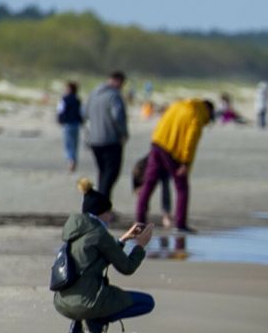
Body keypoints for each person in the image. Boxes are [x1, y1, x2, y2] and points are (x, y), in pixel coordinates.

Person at [55, 178, 155, 333]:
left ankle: (76, 325)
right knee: (146, 302)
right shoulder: (100, 234)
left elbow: (96, 260)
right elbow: (127, 268)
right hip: (88, 304)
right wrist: (140, 246)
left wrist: (123, 239)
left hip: (62, 303)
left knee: (83, 284)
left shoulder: (73, 232)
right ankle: (97, 320)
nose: (110, 217)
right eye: (108, 212)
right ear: (100, 213)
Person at [135, 98, 214, 233]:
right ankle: (180, 224)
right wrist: (186, 162)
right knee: (182, 187)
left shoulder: (177, 105)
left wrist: (156, 142)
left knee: (149, 183)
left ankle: (139, 222)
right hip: (172, 151)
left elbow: (161, 122)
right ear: (208, 109)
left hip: (157, 143)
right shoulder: (197, 115)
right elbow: (191, 140)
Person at [84, 71, 130, 214]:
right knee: (110, 174)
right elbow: (117, 117)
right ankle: (102, 208)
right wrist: (123, 133)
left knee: (103, 173)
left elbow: (84, 114)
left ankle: (102, 207)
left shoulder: (93, 94)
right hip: (110, 140)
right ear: (118, 81)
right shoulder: (114, 96)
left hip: (94, 141)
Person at [56, 81, 83, 172]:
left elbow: (60, 110)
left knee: (68, 144)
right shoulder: (77, 100)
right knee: (74, 144)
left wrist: (60, 120)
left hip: (67, 124)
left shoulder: (64, 99)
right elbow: (81, 112)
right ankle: (73, 159)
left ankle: (70, 160)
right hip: (76, 124)